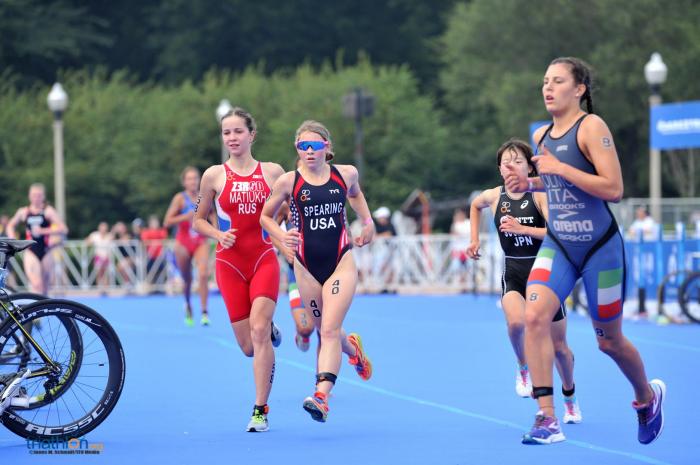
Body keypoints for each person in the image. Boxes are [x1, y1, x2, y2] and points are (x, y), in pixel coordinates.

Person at [504, 57, 665, 445]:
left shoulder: (591, 127)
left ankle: (646, 398)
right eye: (545, 81)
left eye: (558, 81)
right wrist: (530, 186)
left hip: (600, 249)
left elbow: (613, 188)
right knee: (535, 315)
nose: (548, 87)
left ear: (579, 89)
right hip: (560, 244)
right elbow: (556, 184)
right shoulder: (541, 135)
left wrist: (559, 170)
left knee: (608, 341)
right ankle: (546, 418)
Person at [261, 120, 374, 423]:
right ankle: (355, 351)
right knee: (330, 330)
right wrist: (281, 235)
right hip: (306, 268)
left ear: (327, 148)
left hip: (340, 262)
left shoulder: (345, 174)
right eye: (302, 146)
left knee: (327, 332)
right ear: (297, 150)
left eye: (315, 145)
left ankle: (321, 396)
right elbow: (265, 217)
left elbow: (355, 193)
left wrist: (368, 221)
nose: (309, 152)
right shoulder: (288, 182)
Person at [467, 139, 582, 422]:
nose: (512, 165)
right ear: (499, 169)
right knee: (516, 323)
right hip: (515, 272)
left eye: (518, 161)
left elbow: (557, 234)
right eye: (507, 161)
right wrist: (474, 239)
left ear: (529, 167)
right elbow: (474, 205)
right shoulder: (494, 197)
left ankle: (570, 396)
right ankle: (523, 368)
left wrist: (521, 228)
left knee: (560, 350)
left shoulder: (539, 196)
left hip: (545, 273)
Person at [193, 107, 284, 433]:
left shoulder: (273, 172)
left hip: (263, 259)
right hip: (229, 263)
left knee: (259, 332)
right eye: (226, 132)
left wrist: (281, 235)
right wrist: (218, 234)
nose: (232, 138)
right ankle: (269, 331)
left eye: (238, 132)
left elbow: (286, 211)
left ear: (251, 135)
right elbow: (199, 219)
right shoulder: (213, 175)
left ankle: (260, 410)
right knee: (248, 347)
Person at [164, 166, 212, 326]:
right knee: (187, 279)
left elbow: (212, 215)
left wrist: (218, 233)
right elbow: (167, 221)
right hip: (183, 242)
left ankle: (204, 312)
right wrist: (185, 216)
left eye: (195, 178)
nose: (193, 181)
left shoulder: (204, 195)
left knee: (204, 274)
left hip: (200, 240)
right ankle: (188, 304)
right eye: (189, 179)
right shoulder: (180, 198)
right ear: (184, 182)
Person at [7, 183, 68, 295]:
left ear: (43, 197)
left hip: (46, 251)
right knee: (36, 284)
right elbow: (10, 225)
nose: (36, 198)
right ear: (30, 196)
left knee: (45, 287)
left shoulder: (48, 211)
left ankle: (43, 309)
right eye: (34, 195)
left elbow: (63, 229)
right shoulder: (24, 212)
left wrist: (43, 231)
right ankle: (33, 308)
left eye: (39, 195)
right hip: (31, 251)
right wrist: (12, 239)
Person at [140, 215, 168, 288]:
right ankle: (148, 285)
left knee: (165, 268)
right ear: (149, 224)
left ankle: (163, 285)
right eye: (153, 223)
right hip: (150, 256)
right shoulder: (146, 232)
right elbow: (144, 242)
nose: (155, 224)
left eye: (156, 222)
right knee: (148, 269)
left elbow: (164, 241)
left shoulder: (162, 231)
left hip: (161, 256)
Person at [86, 221, 113, 288]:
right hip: (98, 256)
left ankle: (106, 288)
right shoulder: (95, 235)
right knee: (98, 273)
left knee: (106, 273)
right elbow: (87, 242)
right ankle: (99, 287)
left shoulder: (109, 236)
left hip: (107, 257)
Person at [449, 207, 471, 286]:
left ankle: (468, 283)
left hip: (467, 249)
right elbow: (453, 234)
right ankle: (457, 283)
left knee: (469, 267)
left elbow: (466, 233)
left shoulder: (468, 223)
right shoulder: (455, 224)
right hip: (457, 249)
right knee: (456, 267)